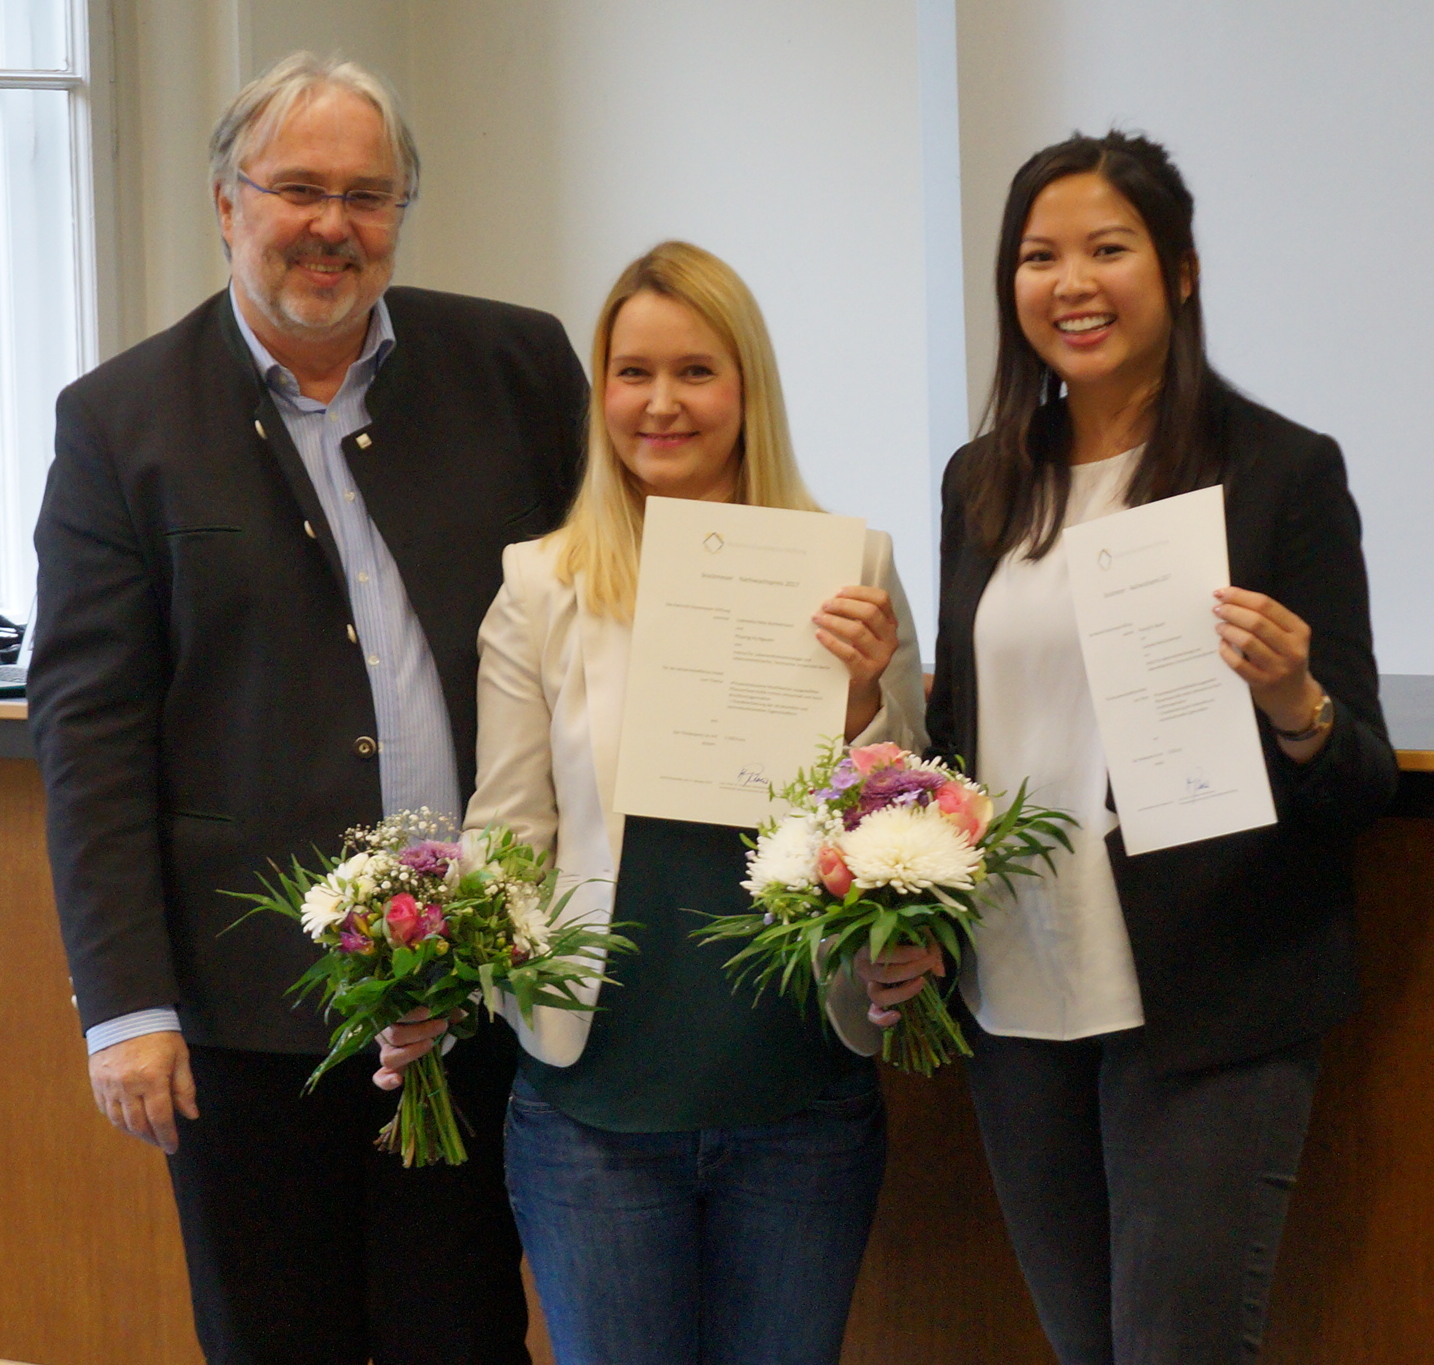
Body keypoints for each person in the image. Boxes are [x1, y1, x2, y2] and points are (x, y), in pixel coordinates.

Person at [28, 51, 587, 1365]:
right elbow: (90, 732)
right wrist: (125, 1005)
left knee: (467, 1334)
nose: (333, 224)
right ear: (227, 203)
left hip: (477, 997)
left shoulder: (516, 365)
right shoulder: (120, 421)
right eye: (298, 189)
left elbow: (613, 602)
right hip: (245, 1012)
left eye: (367, 195)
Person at [858, 131, 1397, 1364]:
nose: (1072, 284)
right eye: (1039, 257)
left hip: (1210, 996)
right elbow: (967, 740)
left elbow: (1359, 779)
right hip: (1017, 992)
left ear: (1181, 272)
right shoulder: (983, 481)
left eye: (1108, 249)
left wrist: (1296, 699)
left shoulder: (1281, 473)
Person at [376, 240, 926, 1365]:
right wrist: (435, 976)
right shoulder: (541, 582)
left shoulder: (851, 566)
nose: (661, 403)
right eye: (633, 372)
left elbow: (909, 816)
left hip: (800, 1097)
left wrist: (863, 700)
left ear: (747, 388)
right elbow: (508, 830)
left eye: (696, 371)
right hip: (596, 1108)